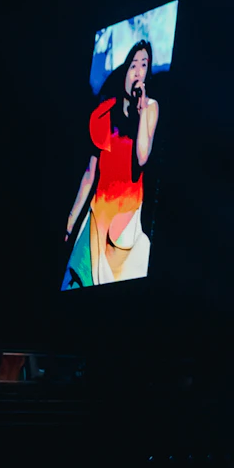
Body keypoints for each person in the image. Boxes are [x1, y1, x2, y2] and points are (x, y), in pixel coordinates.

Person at [62, 40, 159, 288]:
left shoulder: (150, 108)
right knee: (76, 278)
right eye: (133, 65)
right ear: (125, 71)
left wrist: (140, 115)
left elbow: (142, 158)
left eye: (144, 65)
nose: (138, 72)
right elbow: (89, 174)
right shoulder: (105, 113)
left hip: (125, 223)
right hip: (97, 216)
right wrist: (71, 219)